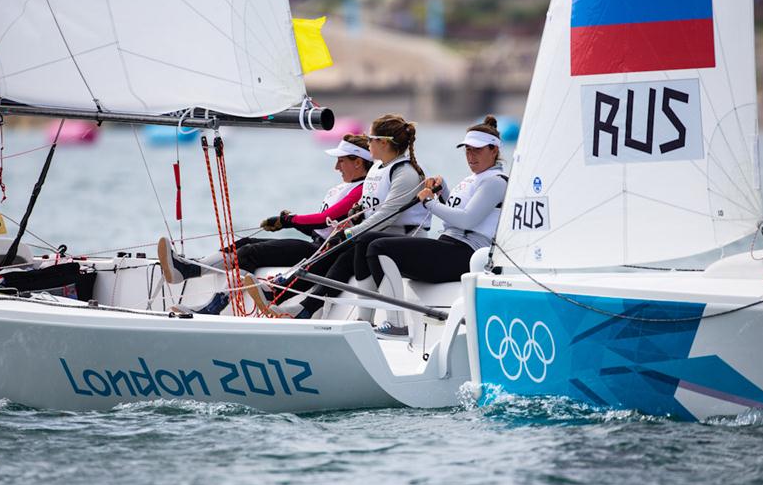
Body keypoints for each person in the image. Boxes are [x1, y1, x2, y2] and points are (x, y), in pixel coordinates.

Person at [157, 134, 372, 314]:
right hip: (316, 243)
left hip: (321, 251)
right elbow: (320, 225)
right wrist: (288, 223)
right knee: (244, 244)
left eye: (341, 161)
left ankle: (205, 294)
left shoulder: (362, 189)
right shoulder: (342, 187)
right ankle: (189, 273)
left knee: (251, 252)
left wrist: (288, 220)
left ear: (358, 162)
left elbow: (325, 218)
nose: (336, 167)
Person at [260, 113, 431, 320]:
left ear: (384, 143)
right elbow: (369, 206)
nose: (367, 142)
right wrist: (352, 219)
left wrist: (349, 232)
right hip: (379, 234)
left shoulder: (405, 173)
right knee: (338, 250)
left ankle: (302, 303)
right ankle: (296, 301)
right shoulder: (378, 168)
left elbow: (387, 215)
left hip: (404, 238)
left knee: (348, 248)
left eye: (371, 138)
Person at [365, 115, 508, 338]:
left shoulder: (495, 182)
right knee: (366, 239)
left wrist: (429, 202)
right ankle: (363, 319)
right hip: (450, 246)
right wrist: (443, 194)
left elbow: (466, 220)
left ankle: (396, 324)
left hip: (465, 255)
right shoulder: (474, 179)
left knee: (378, 248)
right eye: (467, 150)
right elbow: (455, 216)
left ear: (493, 150)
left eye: (477, 150)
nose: (471, 156)